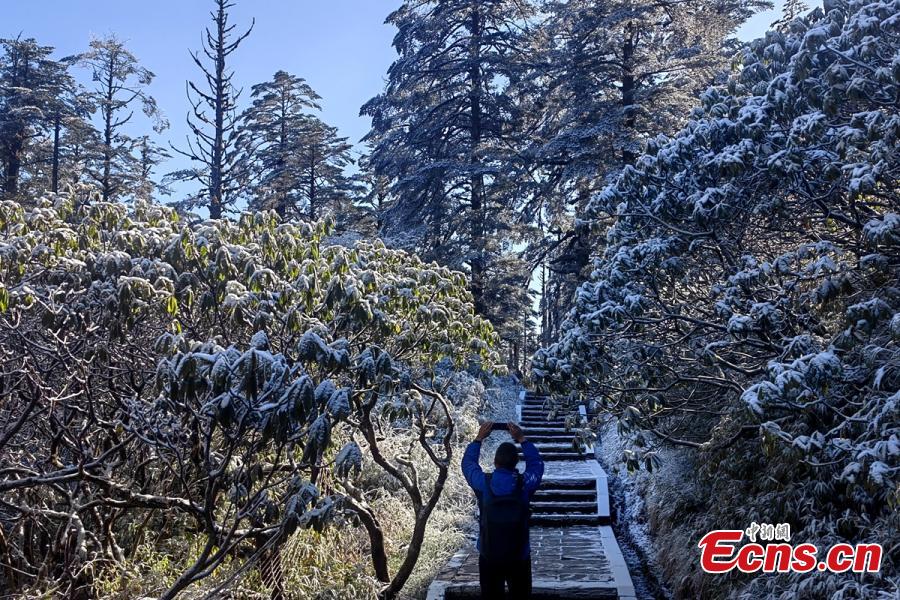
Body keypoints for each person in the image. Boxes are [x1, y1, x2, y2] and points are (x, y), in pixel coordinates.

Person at [462, 420, 544, 599]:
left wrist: (478, 439)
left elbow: (468, 465)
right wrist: (522, 439)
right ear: (516, 462)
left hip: (489, 555)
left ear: (494, 461)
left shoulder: (484, 483)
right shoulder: (525, 484)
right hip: (519, 556)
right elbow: (537, 466)